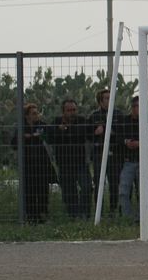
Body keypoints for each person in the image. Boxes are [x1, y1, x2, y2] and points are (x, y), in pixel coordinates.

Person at [11, 102, 55, 223]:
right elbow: (14, 144)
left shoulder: (41, 125)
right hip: (27, 164)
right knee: (29, 191)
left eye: (37, 113)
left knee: (42, 190)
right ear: (27, 116)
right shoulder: (21, 127)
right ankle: (31, 217)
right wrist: (26, 137)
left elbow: (50, 137)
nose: (37, 115)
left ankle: (43, 215)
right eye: (34, 113)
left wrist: (41, 135)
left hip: (41, 163)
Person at [50, 98, 92, 219]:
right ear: (63, 111)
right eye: (69, 110)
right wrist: (59, 130)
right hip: (64, 163)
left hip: (80, 163)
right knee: (69, 192)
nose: (72, 112)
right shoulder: (56, 122)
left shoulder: (81, 121)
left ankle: (84, 214)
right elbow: (49, 137)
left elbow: (87, 133)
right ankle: (73, 216)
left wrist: (67, 129)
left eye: (74, 110)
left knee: (87, 187)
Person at [89, 88, 122, 217]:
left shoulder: (118, 115)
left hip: (115, 154)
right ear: (100, 101)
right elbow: (87, 135)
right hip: (99, 154)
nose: (110, 100)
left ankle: (114, 211)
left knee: (115, 183)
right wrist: (95, 133)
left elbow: (123, 132)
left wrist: (111, 132)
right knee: (99, 183)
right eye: (107, 98)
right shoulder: (94, 116)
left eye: (111, 97)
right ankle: (99, 213)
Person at [117, 97, 142, 221]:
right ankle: (127, 217)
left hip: (143, 162)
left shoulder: (147, 121)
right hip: (128, 161)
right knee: (123, 191)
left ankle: (141, 217)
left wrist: (140, 143)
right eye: (137, 106)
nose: (139, 109)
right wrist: (126, 142)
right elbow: (117, 137)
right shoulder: (124, 121)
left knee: (142, 192)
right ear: (132, 107)